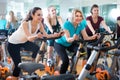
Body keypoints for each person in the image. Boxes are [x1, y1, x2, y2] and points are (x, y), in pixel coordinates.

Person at [7, 7, 63, 80]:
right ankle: (14, 77)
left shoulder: (39, 24)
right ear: (33, 15)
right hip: (13, 43)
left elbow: (46, 35)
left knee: (36, 48)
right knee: (18, 64)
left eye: (42, 15)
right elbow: (29, 38)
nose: (41, 17)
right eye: (38, 15)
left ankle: (31, 65)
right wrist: (37, 35)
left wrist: (57, 35)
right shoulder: (25, 23)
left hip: (23, 42)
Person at [54, 9, 97, 74]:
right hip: (60, 43)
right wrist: (73, 38)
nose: (79, 18)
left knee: (81, 51)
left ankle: (72, 68)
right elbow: (68, 39)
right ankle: (62, 75)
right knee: (65, 61)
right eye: (76, 16)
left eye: (80, 16)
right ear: (73, 16)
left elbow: (86, 38)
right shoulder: (66, 24)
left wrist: (93, 37)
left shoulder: (80, 25)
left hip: (69, 44)